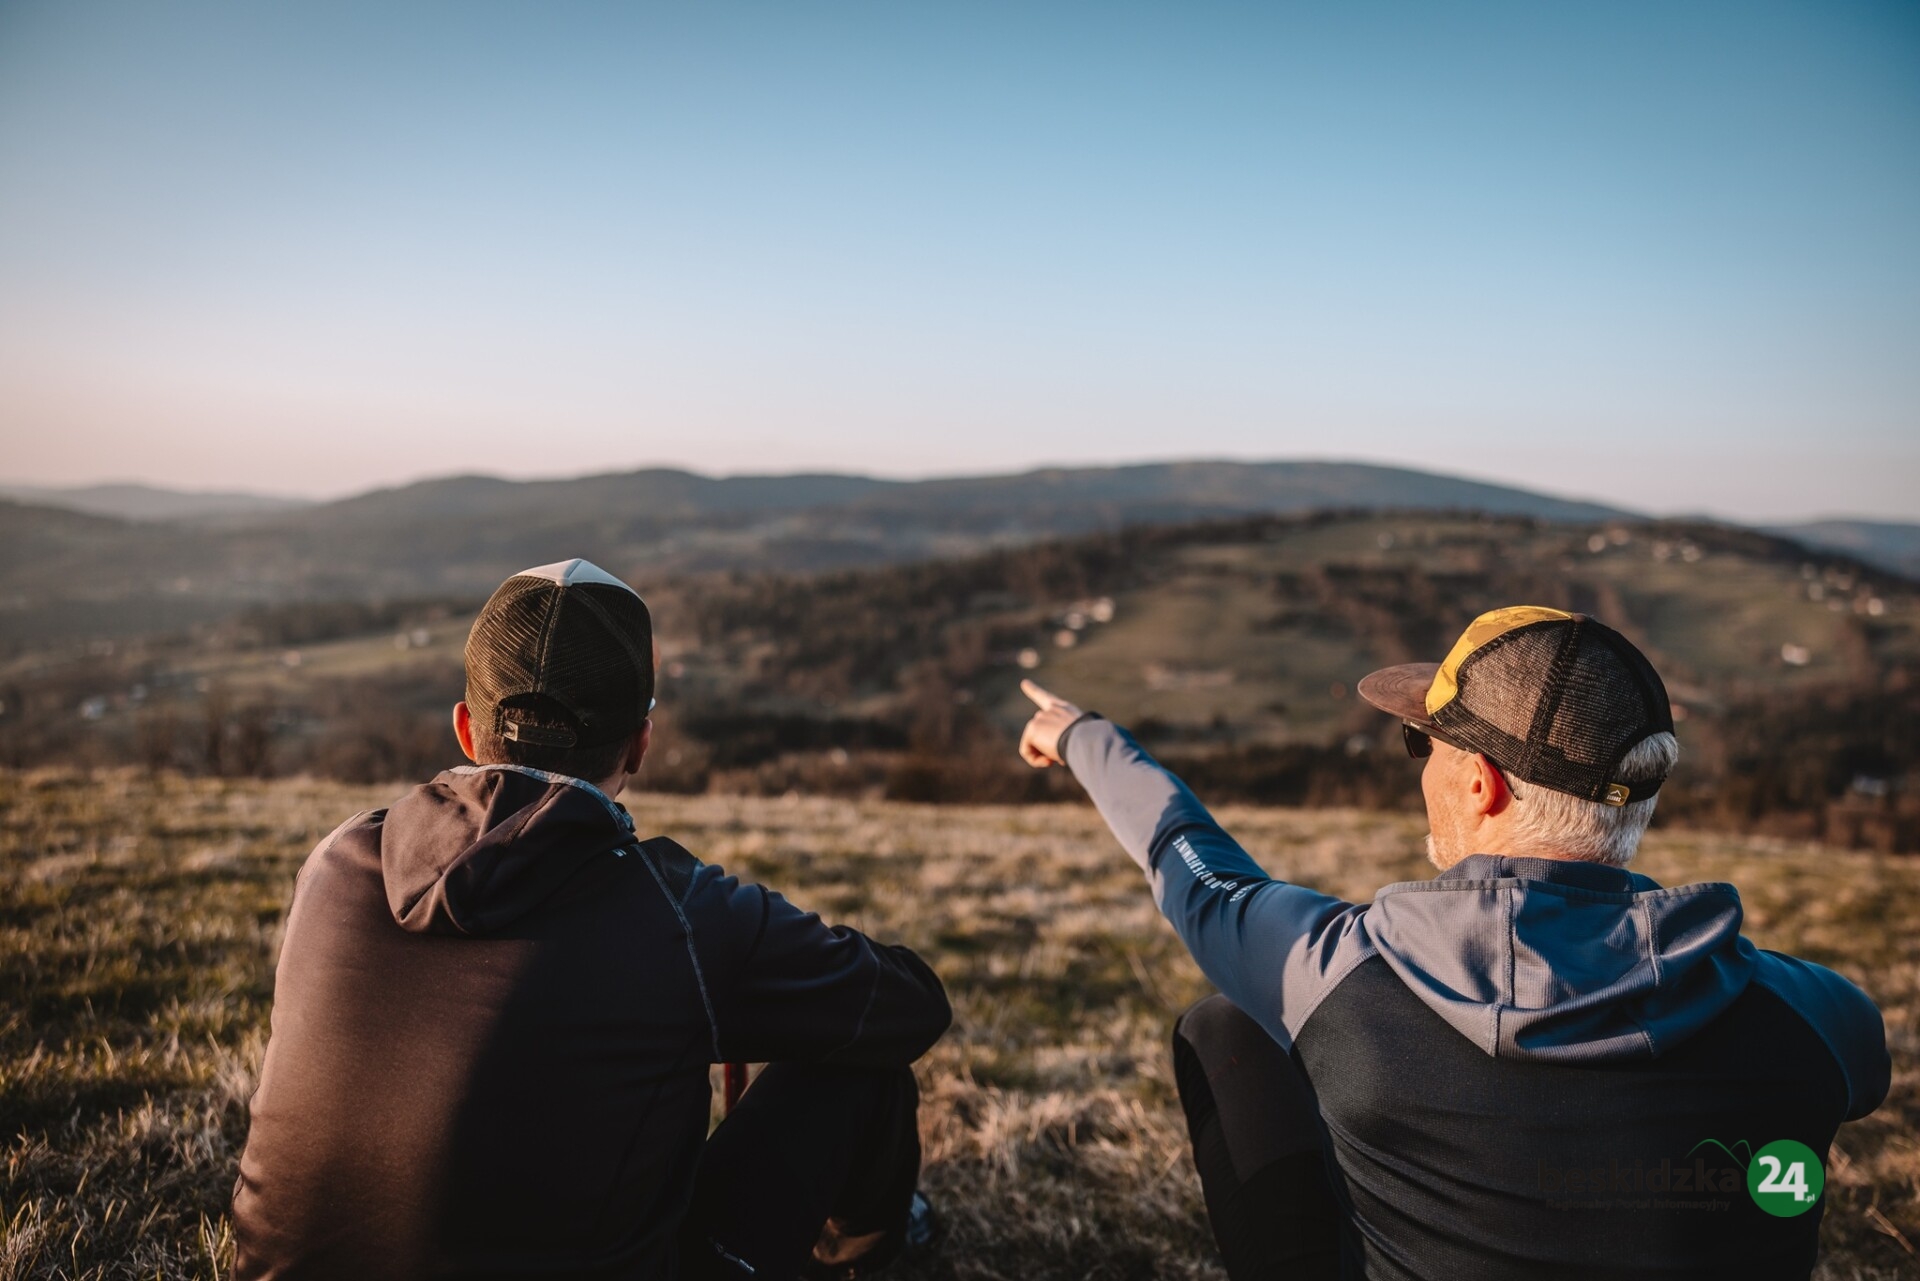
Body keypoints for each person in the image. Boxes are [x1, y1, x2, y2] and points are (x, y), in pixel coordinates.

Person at [1018, 606, 1889, 1281]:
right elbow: (1866, 1069)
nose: (1418, 768)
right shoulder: (1816, 1016)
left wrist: (1084, 737)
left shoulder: (1336, 973)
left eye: (1419, 744)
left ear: (1481, 785)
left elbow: (1192, 866)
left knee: (1228, 1025)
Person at [233, 558, 950, 1280]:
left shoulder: (334, 861)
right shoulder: (680, 914)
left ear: (464, 727)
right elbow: (911, 1005)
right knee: (864, 1074)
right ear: (640, 741)